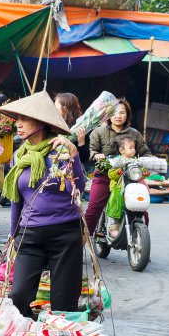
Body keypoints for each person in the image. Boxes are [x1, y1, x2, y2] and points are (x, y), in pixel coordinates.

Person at [0, 91, 85, 336]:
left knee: (63, 301)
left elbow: (79, 185)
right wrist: (12, 237)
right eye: (18, 119)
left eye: (24, 119)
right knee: (19, 294)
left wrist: (74, 155)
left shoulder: (60, 149)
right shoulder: (21, 156)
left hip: (65, 233)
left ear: (41, 122)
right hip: (29, 235)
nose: (18, 124)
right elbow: (15, 200)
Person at [85, 98, 152, 235]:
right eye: (114, 112)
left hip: (129, 178)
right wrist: (96, 155)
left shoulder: (134, 133)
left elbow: (145, 152)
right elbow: (90, 152)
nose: (118, 116)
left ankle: (139, 241)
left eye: (122, 112)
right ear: (108, 114)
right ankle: (80, 244)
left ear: (127, 115)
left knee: (141, 209)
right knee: (93, 211)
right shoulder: (99, 132)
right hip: (105, 176)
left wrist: (152, 161)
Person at [105, 135, 137, 238]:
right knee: (116, 203)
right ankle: (112, 226)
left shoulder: (135, 160)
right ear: (122, 150)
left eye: (134, 147)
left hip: (131, 187)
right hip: (118, 187)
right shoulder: (117, 161)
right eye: (130, 147)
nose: (133, 150)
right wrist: (119, 171)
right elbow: (111, 174)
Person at [54, 93, 89, 163]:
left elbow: (84, 159)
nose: (54, 109)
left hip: (70, 169)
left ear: (65, 108)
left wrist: (81, 142)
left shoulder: (79, 128)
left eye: (56, 107)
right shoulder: (52, 126)